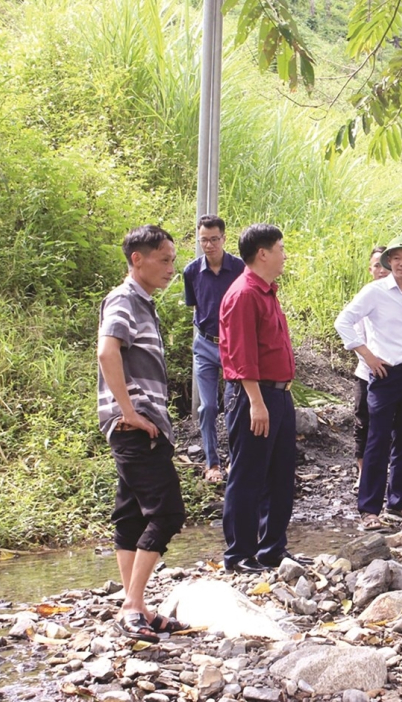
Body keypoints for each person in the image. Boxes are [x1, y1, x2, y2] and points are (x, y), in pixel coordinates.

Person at [97, 225, 188, 643]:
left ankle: (138, 606)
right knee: (167, 511)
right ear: (138, 259)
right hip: (135, 425)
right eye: (165, 259)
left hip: (143, 424)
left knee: (130, 514)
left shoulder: (143, 302)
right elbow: (106, 350)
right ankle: (131, 607)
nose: (172, 267)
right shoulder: (124, 298)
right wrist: (129, 412)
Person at [335, 236, 402, 532]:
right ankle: (369, 509)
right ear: (389, 262)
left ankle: (399, 502)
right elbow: (343, 321)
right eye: (398, 258)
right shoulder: (375, 292)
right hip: (384, 376)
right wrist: (367, 355)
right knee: (377, 441)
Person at [218, 224, 304, 573]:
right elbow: (241, 354)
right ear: (263, 253)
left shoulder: (267, 291)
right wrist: (256, 401)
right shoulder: (244, 294)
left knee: (281, 473)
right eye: (281, 248)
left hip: (279, 394)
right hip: (255, 394)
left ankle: (272, 548)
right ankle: (239, 554)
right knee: (249, 473)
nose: (285, 255)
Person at [183, 214, 245, 482]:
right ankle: (212, 463)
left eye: (214, 239)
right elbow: (195, 305)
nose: (209, 245)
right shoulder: (192, 271)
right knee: (207, 407)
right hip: (205, 344)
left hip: (234, 346)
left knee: (234, 405)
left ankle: (235, 460)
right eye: (203, 240)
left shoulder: (241, 268)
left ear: (224, 238)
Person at [353, 246, 390, 484]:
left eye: (386, 265)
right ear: (370, 269)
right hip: (366, 372)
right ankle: (362, 473)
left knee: (390, 426)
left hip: (393, 374)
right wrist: (371, 360)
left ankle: (386, 473)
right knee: (363, 422)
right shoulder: (364, 297)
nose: (382, 270)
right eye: (377, 265)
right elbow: (354, 335)